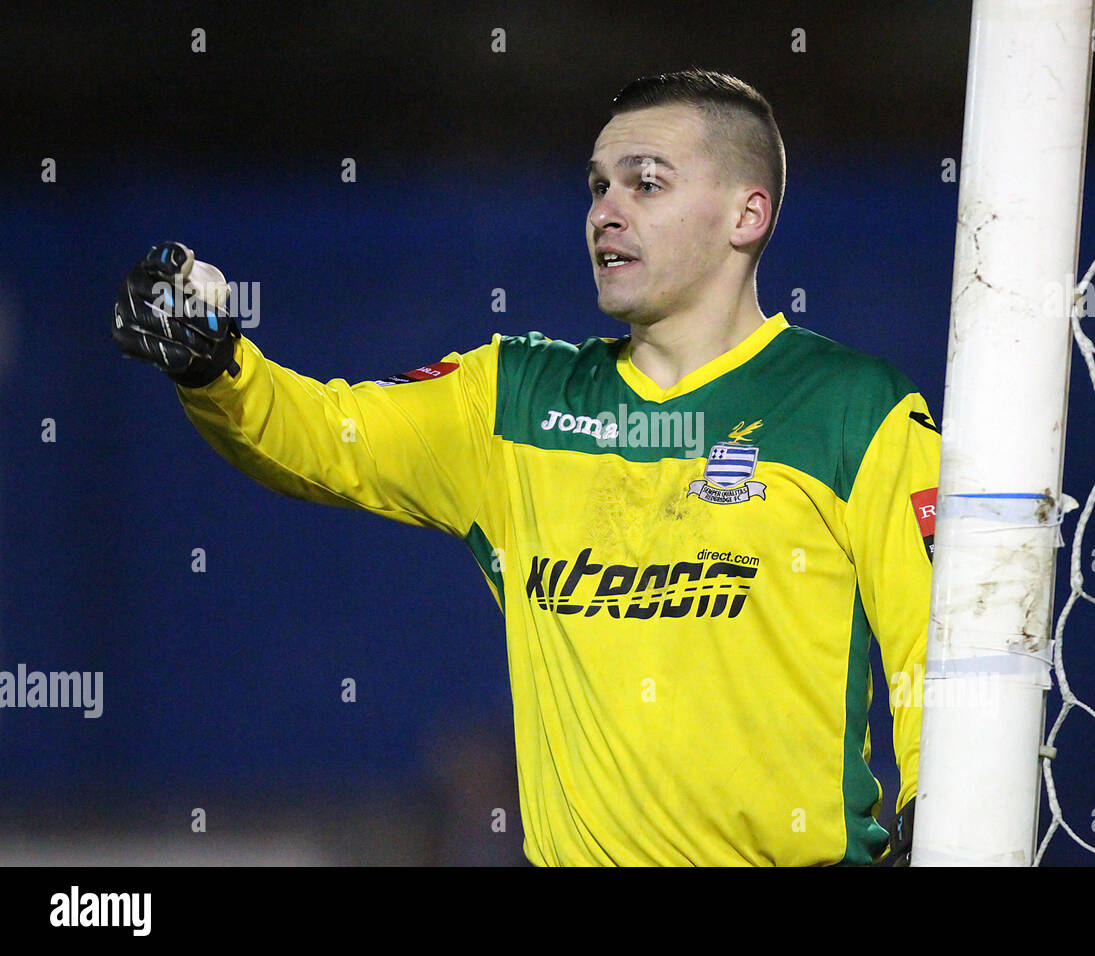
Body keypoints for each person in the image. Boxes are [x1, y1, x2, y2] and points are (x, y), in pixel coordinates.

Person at [111, 68, 940, 867]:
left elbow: (935, 653)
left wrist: (940, 821)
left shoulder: (857, 409)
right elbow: (324, 437)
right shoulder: (512, 401)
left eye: (645, 185)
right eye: (597, 187)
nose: (606, 213)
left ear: (746, 214)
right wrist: (215, 364)